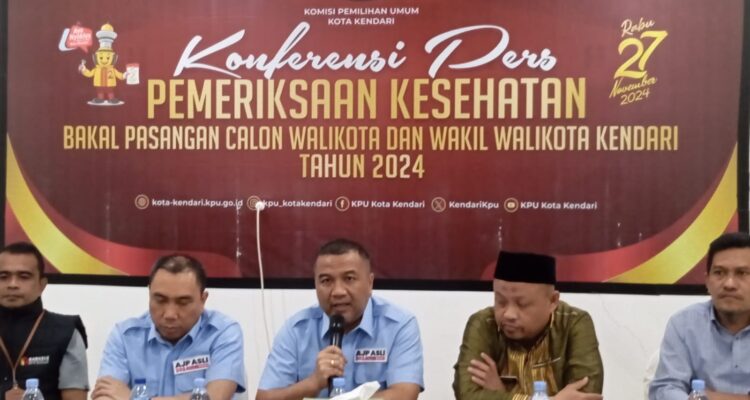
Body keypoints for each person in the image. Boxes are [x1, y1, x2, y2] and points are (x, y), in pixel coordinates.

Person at [256, 238, 423, 400]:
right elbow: (263, 398)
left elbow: (404, 395)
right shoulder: (296, 330)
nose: (338, 292)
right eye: (326, 280)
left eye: (349, 279)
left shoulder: (399, 325)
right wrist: (312, 384)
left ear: (370, 283)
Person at [453, 251, 603, 400]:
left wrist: (500, 392)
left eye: (522, 304)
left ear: (552, 301)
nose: (508, 314)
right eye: (501, 302)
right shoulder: (483, 324)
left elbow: (586, 395)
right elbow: (467, 395)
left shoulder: (574, 323)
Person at [92, 254, 246, 400]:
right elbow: (106, 394)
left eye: (183, 302)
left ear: (203, 300)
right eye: (160, 300)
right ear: (149, 294)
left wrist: (136, 398)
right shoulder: (124, 336)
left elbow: (215, 397)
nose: (170, 314)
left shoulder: (223, 333)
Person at [649, 232, 750, 399]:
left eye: (742, 273)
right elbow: (665, 389)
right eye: (719, 272)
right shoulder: (683, 325)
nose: (729, 284)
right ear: (707, 281)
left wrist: (703, 396)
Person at [0, 242, 88, 400]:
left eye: (23, 277)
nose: (12, 284)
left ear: (42, 285)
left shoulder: (67, 332)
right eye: (3, 277)